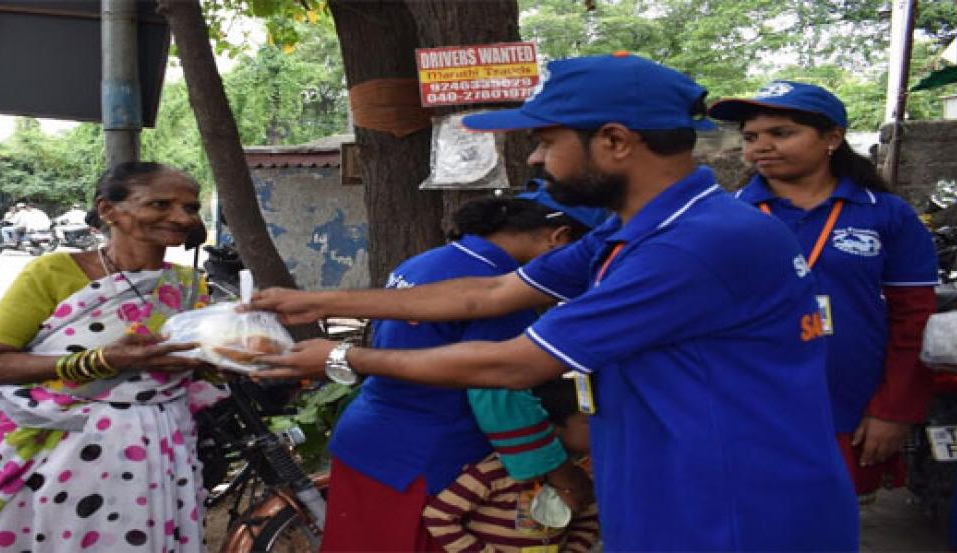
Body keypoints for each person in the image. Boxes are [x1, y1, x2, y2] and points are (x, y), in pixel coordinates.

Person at [250, 54, 858, 550]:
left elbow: (513, 364)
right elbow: (489, 292)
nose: (536, 159)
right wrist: (317, 299)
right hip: (677, 485)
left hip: (730, 506)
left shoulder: (694, 245)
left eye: (545, 141)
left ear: (616, 141)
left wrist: (341, 360)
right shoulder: (636, 231)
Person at [0, 161, 224, 552]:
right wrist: (101, 361)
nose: (180, 217)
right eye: (159, 204)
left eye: (189, 208)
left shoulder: (189, 285)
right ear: (108, 210)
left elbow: (195, 367)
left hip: (159, 446)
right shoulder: (53, 272)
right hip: (58, 446)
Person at [313, 194, 598, 552]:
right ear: (559, 239)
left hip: (368, 442)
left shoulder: (426, 262)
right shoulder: (499, 287)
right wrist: (561, 473)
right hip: (427, 461)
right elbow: (498, 393)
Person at [708, 81, 939, 502]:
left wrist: (894, 409)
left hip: (847, 405)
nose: (761, 146)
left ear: (832, 138)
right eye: (751, 137)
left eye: (781, 133)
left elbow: (914, 321)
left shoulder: (887, 215)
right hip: (746, 407)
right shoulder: (724, 216)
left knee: (827, 525)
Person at [424, 380, 600, 553]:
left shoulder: (583, 474)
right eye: (590, 423)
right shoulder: (493, 471)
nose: (605, 430)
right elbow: (439, 517)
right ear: (548, 425)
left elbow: (588, 520)